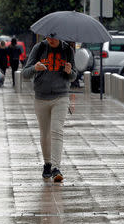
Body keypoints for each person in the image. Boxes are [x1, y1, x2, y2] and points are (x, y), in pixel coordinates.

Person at [22, 37, 77, 182]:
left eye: (53, 37)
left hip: (61, 96)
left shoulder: (67, 50)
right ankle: (47, 163)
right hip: (41, 97)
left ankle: (56, 168)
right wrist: (35, 68)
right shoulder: (39, 48)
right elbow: (24, 73)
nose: (50, 40)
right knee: (45, 133)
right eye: (48, 36)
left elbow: (74, 75)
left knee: (57, 130)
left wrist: (69, 72)